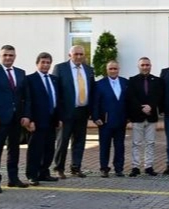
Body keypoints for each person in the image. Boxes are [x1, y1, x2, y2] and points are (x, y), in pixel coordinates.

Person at [0, 45, 28, 193]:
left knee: (14, 150)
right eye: (5, 55)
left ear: (15, 56)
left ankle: (13, 178)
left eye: (11, 55)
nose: (8, 58)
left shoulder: (21, 73)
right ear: (0, 56)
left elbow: (25, 97)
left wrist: (25, 115)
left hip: (16, 119)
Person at [52, 45, 95, 178]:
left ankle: (76, 167)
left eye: (81, 54)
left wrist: (91, 111)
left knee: (79, 141)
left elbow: (92, 90)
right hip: (66, 112)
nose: (79, 57)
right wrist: (58, 114)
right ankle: (59, 168)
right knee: (63, 142)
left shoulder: (88, 70)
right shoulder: (60, 68)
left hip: (82, 111)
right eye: (76, 54)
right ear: (70, 55)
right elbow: (56, 92)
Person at [22, 52, 62, 186]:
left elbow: (57, 99)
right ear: (37, 63)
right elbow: (27, 100)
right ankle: (32, 175)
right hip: (36, 121)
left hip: (51, 120)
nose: (45, 65)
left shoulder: (54, 79)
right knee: (35, 150)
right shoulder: (30, 79)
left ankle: (44, 173)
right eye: (43, 62)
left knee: (49, 149)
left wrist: (59, 118)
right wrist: (30, 119)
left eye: (48, 63)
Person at [126, 57, 164, 177]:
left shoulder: (157, 81)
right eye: (142, 65)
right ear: (139, 66)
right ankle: (135, 167)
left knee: (150, 143)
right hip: (137, 116)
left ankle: (149, 166)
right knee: (136, 143)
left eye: (147, 65)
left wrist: (150, 106)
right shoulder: (132, 80)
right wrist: (141, 107)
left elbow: (158, 96)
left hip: (151, 116)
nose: (145, 67)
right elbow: (131, 97)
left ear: (150, 66)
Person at [92, 60, 129, 178]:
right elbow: (95, 102)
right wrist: (95, 117)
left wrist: (128, 116)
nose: (113, 71)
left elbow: (128, 101)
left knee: (120, 146)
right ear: (107, 70)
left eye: (115, 68)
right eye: (110, 69)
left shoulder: (125, 82)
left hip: (121, 121)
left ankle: (119, 168)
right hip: (105, 121)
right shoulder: (99, 84)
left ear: (119, 69)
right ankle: (104, 168)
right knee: (104, 146)